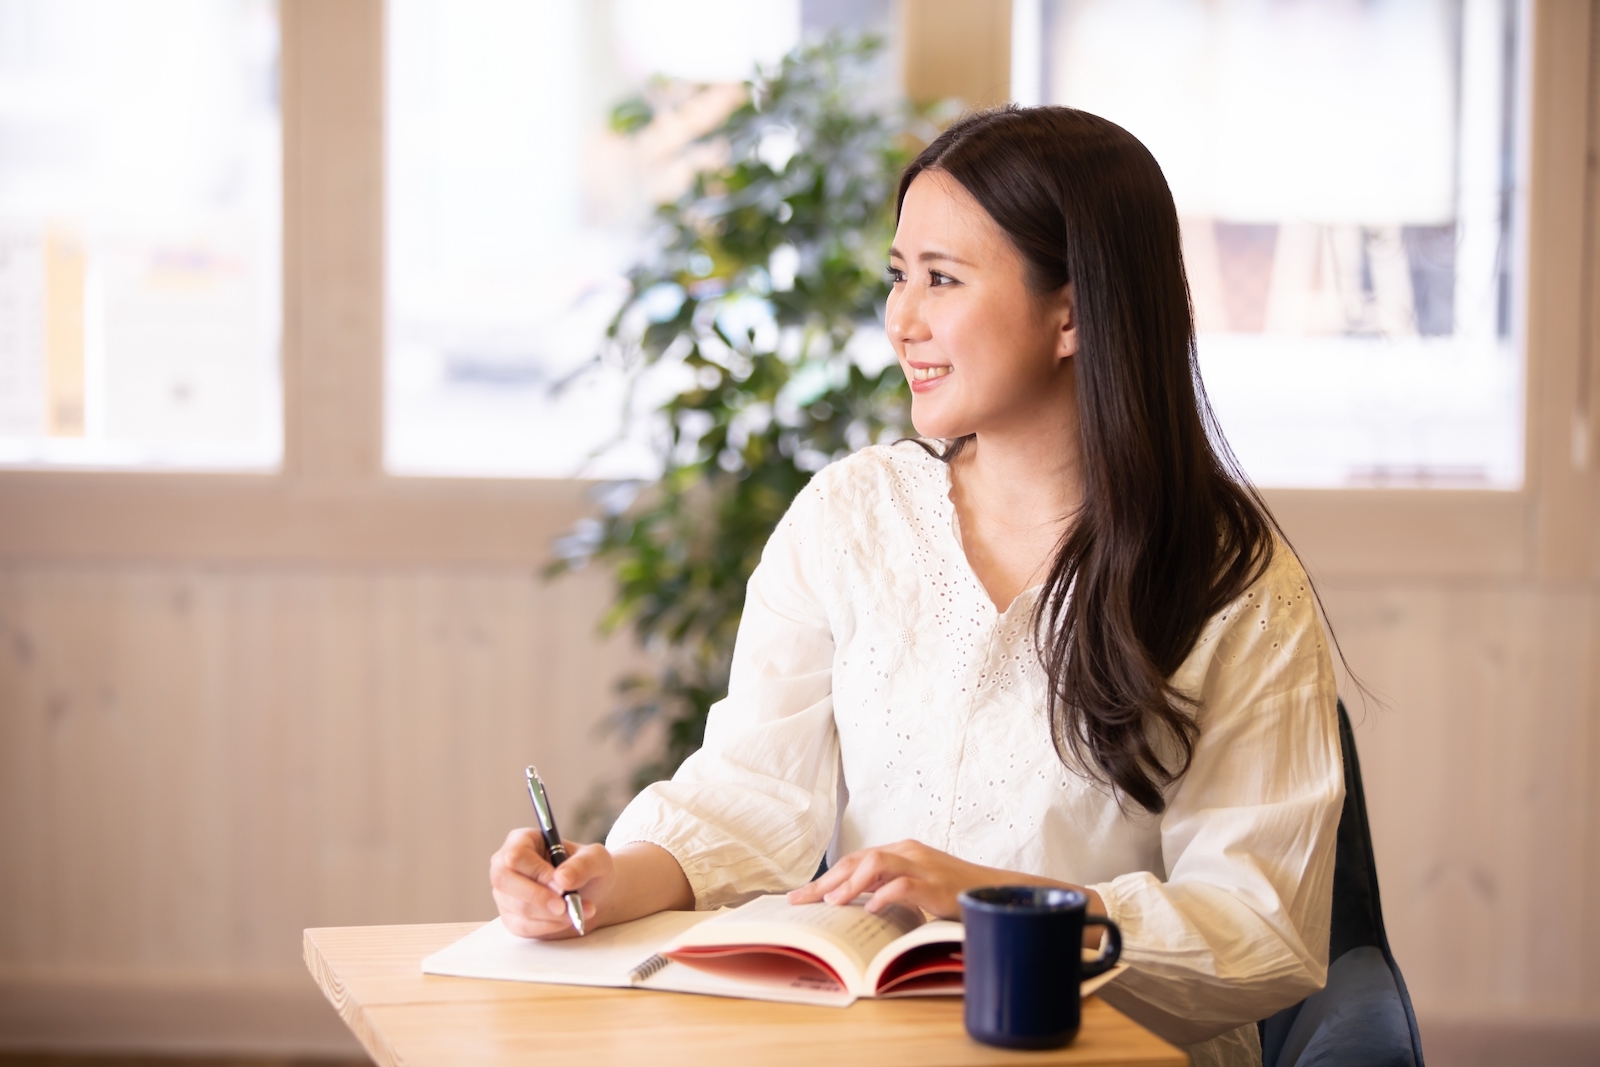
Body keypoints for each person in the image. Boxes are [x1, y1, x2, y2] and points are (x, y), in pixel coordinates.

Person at [489, 106, 1343, 1067]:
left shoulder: (1235, 579)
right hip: (874, 1043)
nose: (902, 320)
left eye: (942, 278)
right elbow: (749, 790)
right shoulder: (852, 514)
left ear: (1073, 311)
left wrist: (997, 910)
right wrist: (608, 880)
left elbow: (1260, 929)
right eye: (900, 277)